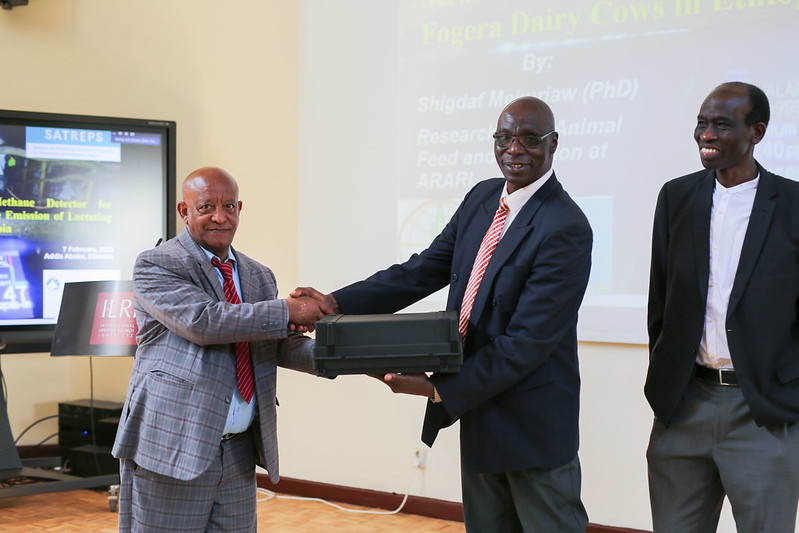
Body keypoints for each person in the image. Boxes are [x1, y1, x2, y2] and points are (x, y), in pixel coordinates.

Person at [297, 96, 592, 532]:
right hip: (479, 414)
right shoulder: (483, 198)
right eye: (505, 138)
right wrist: (336, 305)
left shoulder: (565, 225)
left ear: (553, 144)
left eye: (530, 140)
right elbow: (424, 269)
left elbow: (525, 344)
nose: (515, 149)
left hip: (532, 425)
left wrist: (439, 391)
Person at [112, 166, 331, 532]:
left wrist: (348, 354)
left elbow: (276, 343)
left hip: (239, 452)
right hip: (174, 448)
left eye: (229, 206)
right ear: (184, 211)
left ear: (240, 209)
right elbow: (205, 321)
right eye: (206, 207)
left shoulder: (258, 275)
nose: (220, 216)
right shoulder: (158, 263)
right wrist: (289, 309)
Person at [645, 82, 799, 532]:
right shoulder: (676, 197)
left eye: (721, 125)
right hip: (684, 404)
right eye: (702, 123)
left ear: (758, 132)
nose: (706, 135)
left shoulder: (792, 206)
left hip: (762, 413)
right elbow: (660, 299)